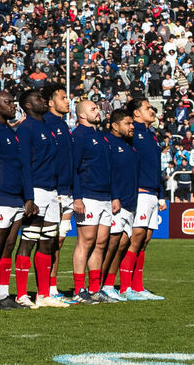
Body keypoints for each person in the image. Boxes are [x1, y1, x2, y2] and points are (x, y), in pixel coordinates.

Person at [0, 90, 35, 310]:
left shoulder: (11, 131)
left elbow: (22, 168)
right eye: (8, 102)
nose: (13, 105)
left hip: (16, 198)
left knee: (9, 246)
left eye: (13, 101)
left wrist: (27, 197)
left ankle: (3, 293)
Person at [13, 89, 66, 309]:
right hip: (35, 191)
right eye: (38, 99)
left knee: (48, 242)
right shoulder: (26, 128)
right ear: (27, 105)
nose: (43, 101)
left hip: (52, 192)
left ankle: (43, 294)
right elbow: (24, 164)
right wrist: (29, 196)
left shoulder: (47, 126)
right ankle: (21, 294)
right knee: (28, 241)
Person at [68, 99, 118, 304]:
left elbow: (110, 169)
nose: (98, 111)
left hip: (106, 198)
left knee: (101, 243)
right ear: (81, 115)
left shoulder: (102, 137)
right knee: (85, 242)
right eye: (93, 109)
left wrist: (115, 196)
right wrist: (77, 197)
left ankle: (94, 289)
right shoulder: (78, 136)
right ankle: (79, 290)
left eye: (98, 108)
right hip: (88, 196)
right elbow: (74, 169)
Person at [120, 98, 166, 300]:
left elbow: (156, 167)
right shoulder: (133, 134)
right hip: (139, 192)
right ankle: (125, 287)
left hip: (152, 192)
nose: (152, 110)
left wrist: (161, 194)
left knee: (144, 240)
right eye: (147, 108)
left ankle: (138, 287)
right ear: (136, 113)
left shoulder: (151, 134)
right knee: (135, 238)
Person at [103, 109, 140, 301]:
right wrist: (114, 196)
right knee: (111, 244)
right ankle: (98, 285)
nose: (132, 126)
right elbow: (107, 173)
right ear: (115, 126)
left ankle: (109, 284)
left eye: (132, 123)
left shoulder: (130, 145)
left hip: (130, 203)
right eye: (127, 123)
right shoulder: (107, 143)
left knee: (122, 245)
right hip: (115, 202)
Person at [43, 84, 75, 301]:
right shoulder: (45, 123)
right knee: (46, 241)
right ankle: (43, 289)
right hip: (52, 191)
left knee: (59, 241)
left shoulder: (63, 125)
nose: (68, 101)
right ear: (51, 102)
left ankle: (52, 288)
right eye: (63, 98)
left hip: (67, 190)